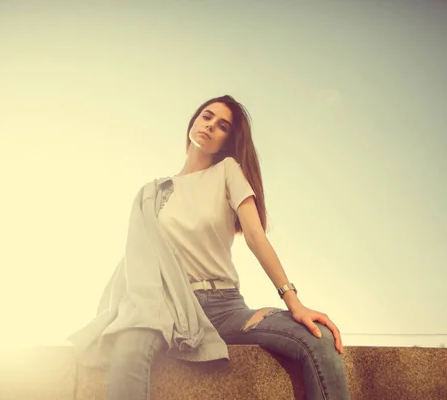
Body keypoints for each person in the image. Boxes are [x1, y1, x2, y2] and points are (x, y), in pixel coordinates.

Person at [105, 95, 350, 400]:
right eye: (206, 117)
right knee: (129, 344)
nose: (210, 126)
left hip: (225, 308)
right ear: (194, 120)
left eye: (222, 126)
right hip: (167, 309)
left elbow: (255, 237)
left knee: (318, 338)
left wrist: (294, 303)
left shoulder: (227, 171)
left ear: (227, 140)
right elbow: (138, 259)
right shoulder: (153, 193)